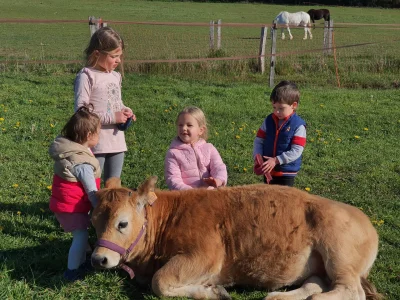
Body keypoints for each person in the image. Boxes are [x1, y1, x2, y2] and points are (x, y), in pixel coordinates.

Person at [74, 26, 136, 183]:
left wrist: (125, 110)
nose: (118, 60)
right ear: (97, 54)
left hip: (117, 142)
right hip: (96, 143)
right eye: (114, 56)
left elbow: (116, 101)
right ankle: (90, 209)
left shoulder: (115, 76)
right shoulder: (86, 76)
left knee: (113, 185)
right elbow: (81, 112)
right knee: (91, 183)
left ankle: (110, 209)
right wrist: (113, 117)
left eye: (120, 56)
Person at [49, 105, 101, 281]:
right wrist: (99, 207)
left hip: (65, 204)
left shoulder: (70, 150)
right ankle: (72, 271)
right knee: (81, 236)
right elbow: (91, 189)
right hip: (72, 207)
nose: (99, 136)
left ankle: (82, 260)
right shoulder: (82, 163)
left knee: (81, 235)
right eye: (98, 133)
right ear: (88, 135)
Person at [253, 80, 306, 187]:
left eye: (281, 108)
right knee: (268, 198)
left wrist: (277, 160)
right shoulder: (268, 120)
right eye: (274, 107)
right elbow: (259, 140)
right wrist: (257, 156)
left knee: (283, 201)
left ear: (294, 105)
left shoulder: (298, 125)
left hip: (286, 172)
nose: (276, 112)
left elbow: (297, 150)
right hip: (268, 169)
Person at [165, 106, 228, 190]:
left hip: (210, 194)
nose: (184, 128)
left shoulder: (209, 148)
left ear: (201, 130)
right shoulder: (173, 153)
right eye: (180, 125)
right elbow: (173, 179)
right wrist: (192, 193)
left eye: (189, 125)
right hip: (186, 198)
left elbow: (219, 167)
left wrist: (218, 180)